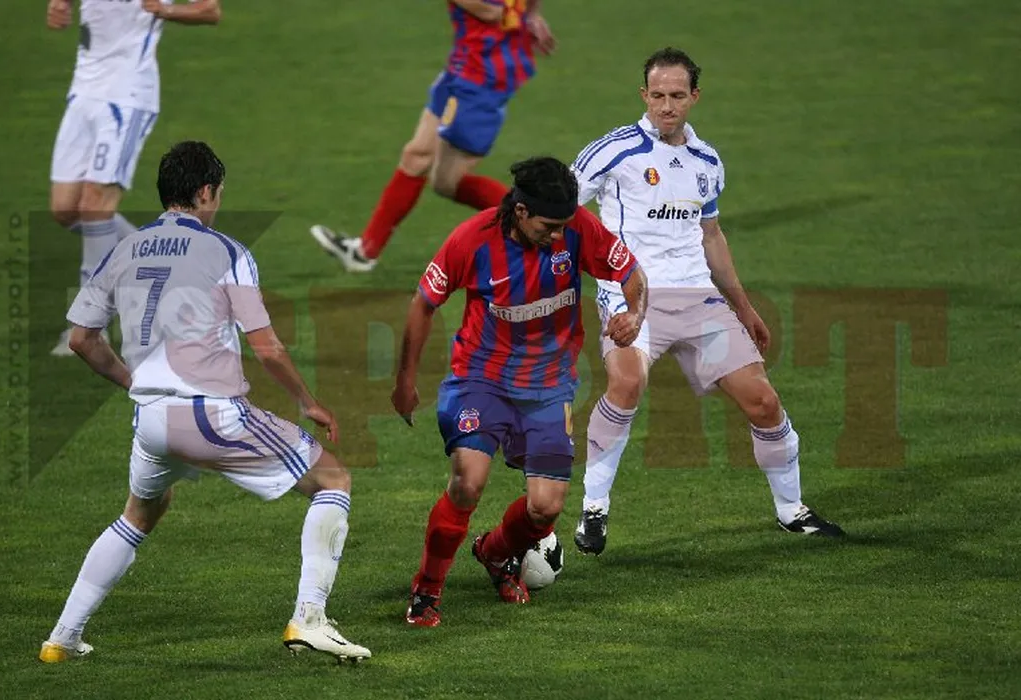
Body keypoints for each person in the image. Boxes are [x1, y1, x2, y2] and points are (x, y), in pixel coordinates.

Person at [39, 141, 370, 664]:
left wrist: (136, 384)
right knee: (333, 479)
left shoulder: (125, 248)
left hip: (151, 420)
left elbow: (82, 339)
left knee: (140, 513)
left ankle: (61, 639)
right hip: (210, 414)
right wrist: (307, 401)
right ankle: (310, 617)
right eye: (219, 193)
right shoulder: (227, 252)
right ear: (206, 192)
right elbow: (266, 346)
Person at [569, 47, 845, 556]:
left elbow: (711, 234)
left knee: (763, 401)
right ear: (643, 95)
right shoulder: (614, 151)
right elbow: (557, 206)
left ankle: (791, 510)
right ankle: (594, 508)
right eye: (657, 95)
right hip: (632, 294)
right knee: (626, 383)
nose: (666, 105)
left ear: (694, 96)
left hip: (698, 298)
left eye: (677, 95)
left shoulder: (707, 161)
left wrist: (744, 306)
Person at [391, 156, 648, 626]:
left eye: (564, 225)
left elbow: (632, 274)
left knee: (545, 508)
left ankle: (494, 552)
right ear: (521, 211)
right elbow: (422, 304)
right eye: (549, 227)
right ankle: (427, 588)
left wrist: (635, 313)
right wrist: (405, 380)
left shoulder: (577, 227)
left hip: (549, 386)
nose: (559, 235)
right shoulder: (471, 240)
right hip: (481, 379)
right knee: (467, 482)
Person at [309, 0, 556, 272]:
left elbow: (489, 11)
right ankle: (364, 252)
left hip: (481, 80)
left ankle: (545, 229)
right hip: (461, 68)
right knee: (423, 163)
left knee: (442, 176)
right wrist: (527, 15)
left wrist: (522, 15)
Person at [46, 0, 222, 356]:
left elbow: (209, 11)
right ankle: (170, 262)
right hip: (83, 92)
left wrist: (165, 11)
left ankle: (90, 325)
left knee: (96, 206)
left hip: (127, 97)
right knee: (65, 210)